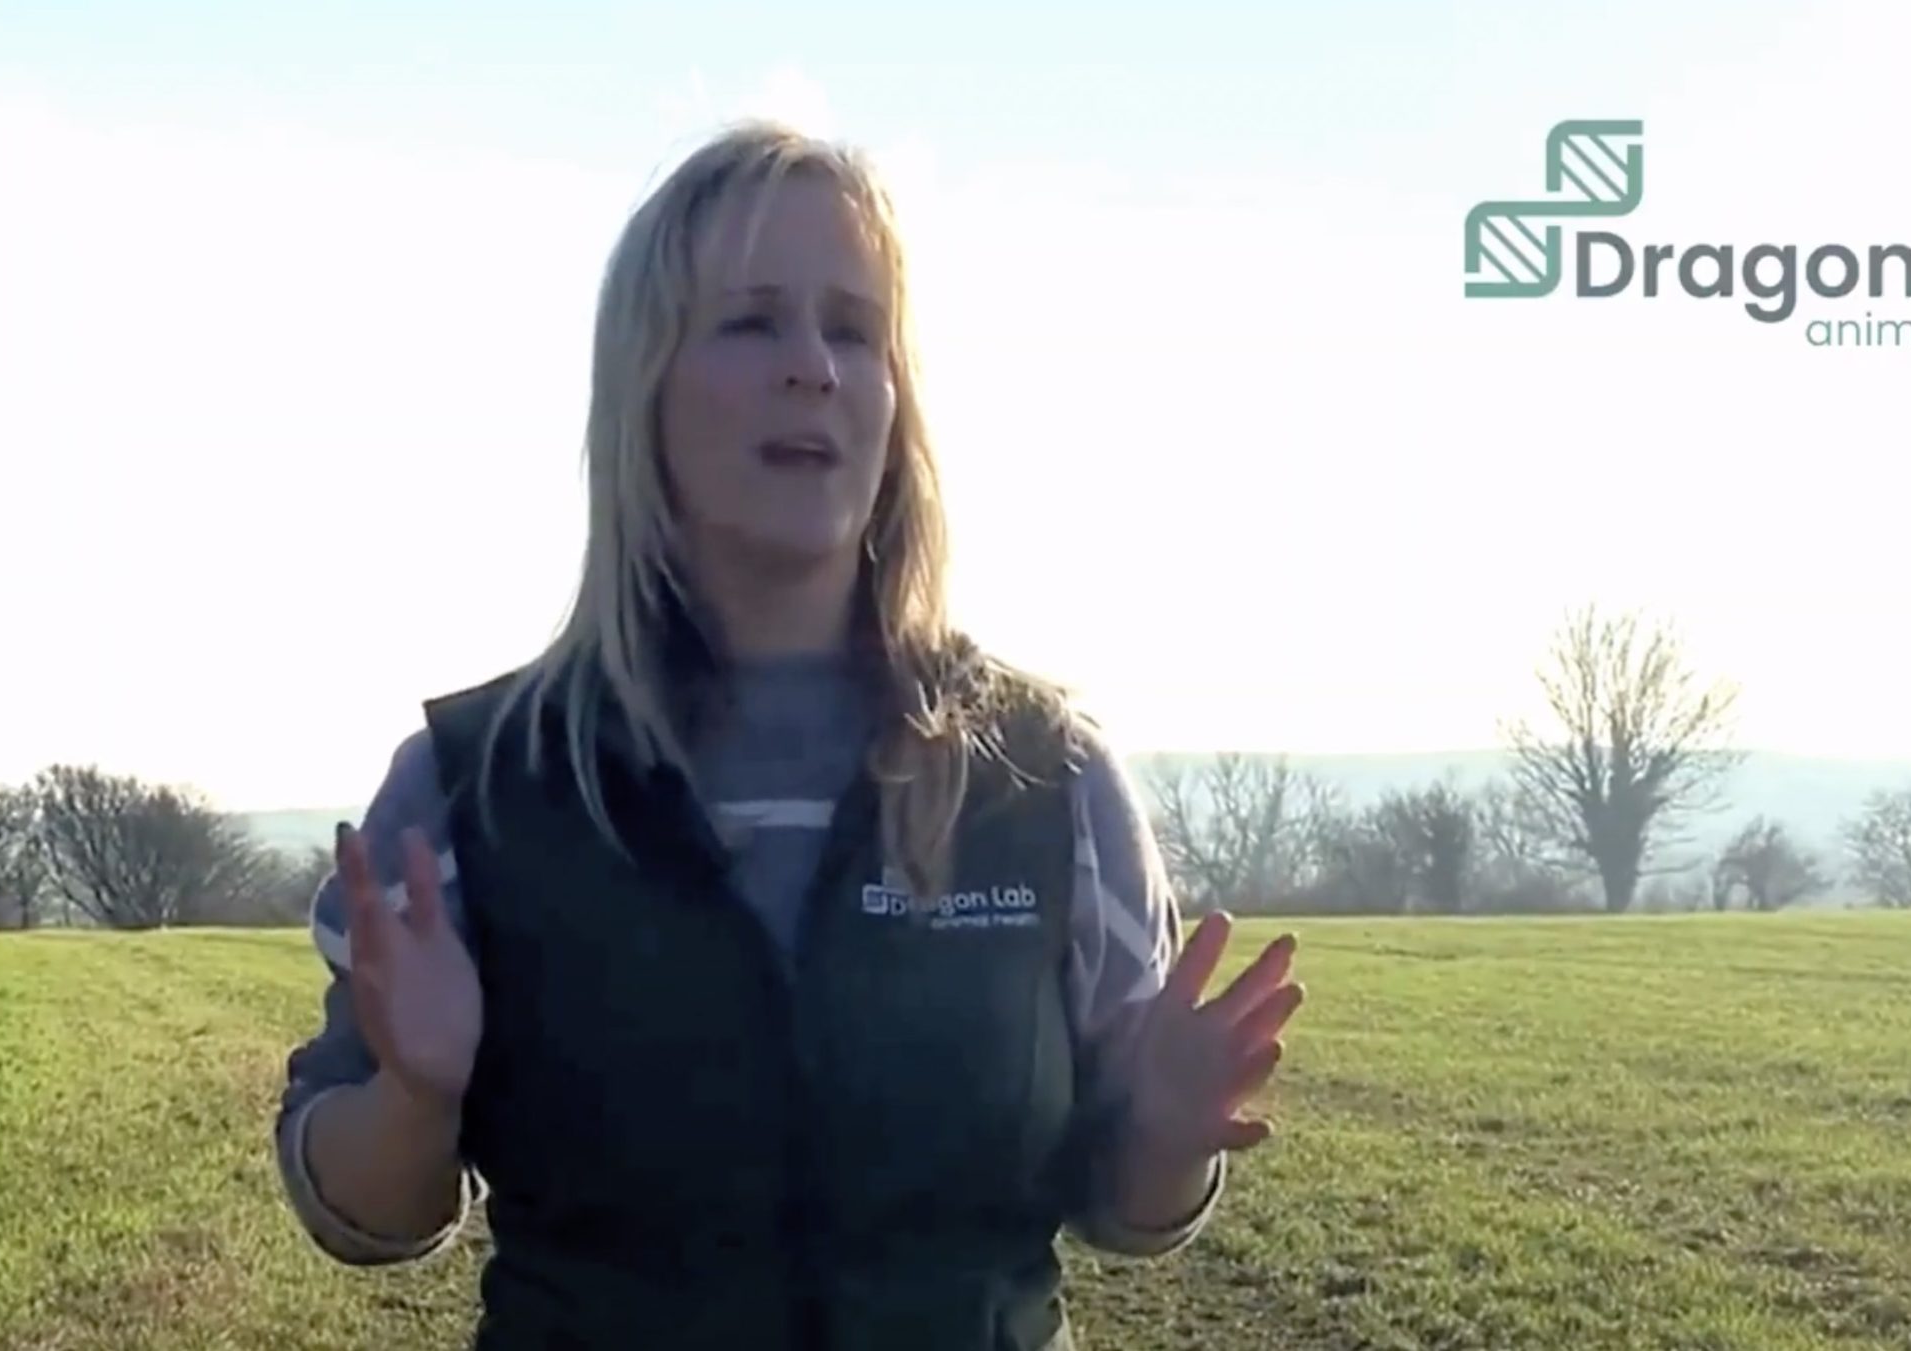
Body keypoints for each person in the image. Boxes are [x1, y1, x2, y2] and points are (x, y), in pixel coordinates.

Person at [271, 119, 1305, 1351]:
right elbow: (355, 1211)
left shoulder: (1049, 777)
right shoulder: (477, 784)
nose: (811, 367)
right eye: (753, 320)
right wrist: (414, 1094)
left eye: (853, 331)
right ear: (643, 387)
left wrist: (1166, 1133)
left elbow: (1122, 1209)